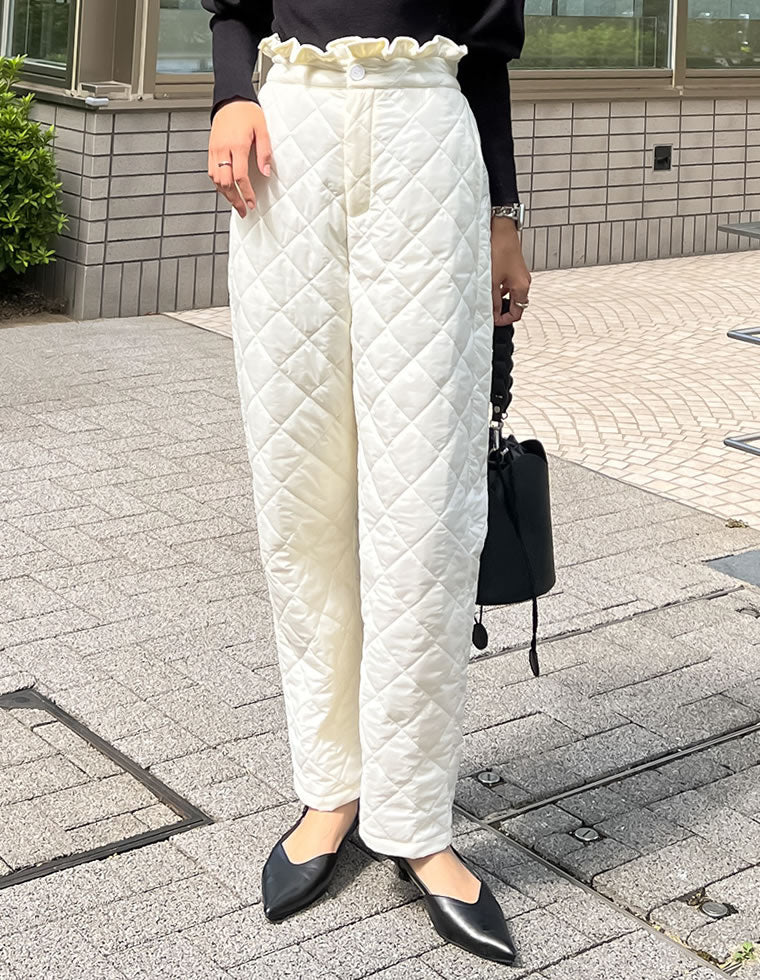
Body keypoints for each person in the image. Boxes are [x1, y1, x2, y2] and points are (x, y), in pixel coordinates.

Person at [202, 0, 531, 964]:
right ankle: (330, 789)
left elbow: (486, 57)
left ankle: (417, 818)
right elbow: (232, 7)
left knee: (425, 512)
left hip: (428, 142)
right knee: (300, 497)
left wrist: (504, 218)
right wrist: (229, 95)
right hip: (289, 147)